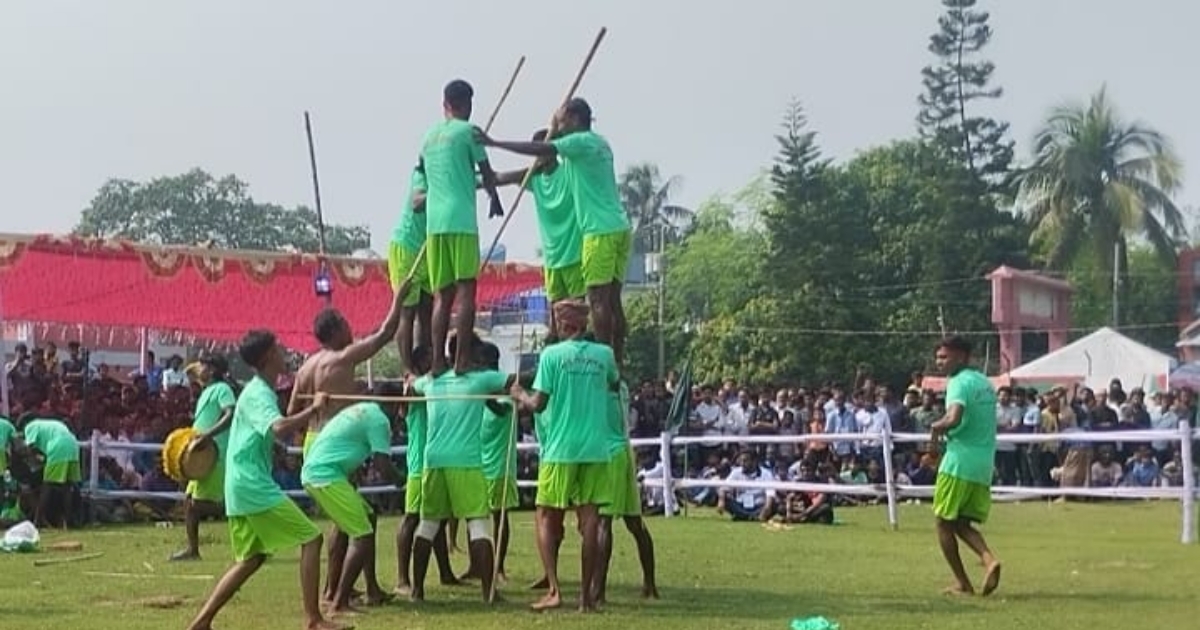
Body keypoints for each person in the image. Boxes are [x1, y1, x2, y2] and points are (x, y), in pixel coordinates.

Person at [185, 330, 347, 630]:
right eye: (278, 348)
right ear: (268, 356)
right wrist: (314, 409)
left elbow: (270, 431)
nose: (284, 351)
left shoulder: (258, 392)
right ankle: (313, 619)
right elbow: (279, 427)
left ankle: (202, 622)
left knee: (251, 559)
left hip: (242, 482)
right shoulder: (259, 393)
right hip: (251, 484)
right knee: (311, 539)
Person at [479, 98, 632, 367]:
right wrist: (483, 184)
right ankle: (611, 361)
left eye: (563, 120)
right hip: (606, 232)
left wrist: (495, 142)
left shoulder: (579, 144)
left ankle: (606, 363)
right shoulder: (587, 150)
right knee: (597, 305)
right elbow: (507, 176)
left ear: (573, 119)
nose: (559, 125)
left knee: (595, 302)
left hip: (596, 234)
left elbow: (545, 145)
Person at [288, 275, 412, 602]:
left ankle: (354, 587)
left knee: (347, 519)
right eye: (345, 323)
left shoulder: (305, 367)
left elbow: (291, 410)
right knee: (351, 522)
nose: (350, 327)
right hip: (334, 444)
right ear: (335, 331)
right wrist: (399, 299)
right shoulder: (341, 358)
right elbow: (385, 334)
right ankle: (338, 590)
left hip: (313, 441)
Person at [510, 300, 618, 613]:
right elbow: (613, 381)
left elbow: (539, 404)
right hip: (596, 447)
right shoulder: (604, 355)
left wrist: (520, 395)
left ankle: (555, 589)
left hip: (561, 448)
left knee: (545, 514)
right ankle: (586, 598)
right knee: (590, 522)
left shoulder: (552, 355)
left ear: (563, 324)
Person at [408, 334, 512, 604]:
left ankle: (417, 590)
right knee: (478, 525)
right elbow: (515, 379)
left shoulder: (431, 381)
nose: (480, 362)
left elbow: (411, 386)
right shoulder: (480, 380)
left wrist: (409, 380)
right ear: (467, 355)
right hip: (466, 462)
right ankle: (489, 592)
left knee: (428, 525)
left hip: (434, 462)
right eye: (477, 356)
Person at [420, 79, 504, 375]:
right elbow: (487, 174)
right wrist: (494, 196)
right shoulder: (469, 132)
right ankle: (461, 360)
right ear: (467, 104)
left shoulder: (428, 137)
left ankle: (437, 361)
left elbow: (426, 177)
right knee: (467, 290)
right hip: (461, 220)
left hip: (434, 223)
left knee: (442, 294)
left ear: (445, 104)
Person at [301, 398, 402, 614]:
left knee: (366, 518)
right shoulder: (379, 420)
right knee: (362, 535)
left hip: (321, 472)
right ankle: (339, 602)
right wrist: (403, 480)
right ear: (394, 405)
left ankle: (367, 590)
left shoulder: (361, 409)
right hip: (325, 476)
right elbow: (382, 465)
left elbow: (344, 443)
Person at [929, 335, 1002, 597]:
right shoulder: (984, 382)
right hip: (983, 466)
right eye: (938, 356)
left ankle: (963, 582)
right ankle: (989, 560)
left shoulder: (958, 383)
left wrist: (935, 429)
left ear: (961, 356)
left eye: (944, 357)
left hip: (958, 462)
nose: (939, 362)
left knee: (942, 522)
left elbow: (954, 416)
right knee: (960, 523)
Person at [496, 129, 585, 333]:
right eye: (535, 152)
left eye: (543, 150)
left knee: (576, 311)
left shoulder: (568, 172)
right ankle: (555, 347)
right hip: (552, 258)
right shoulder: (535, 179)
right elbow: (504, 178)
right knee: (555, 312)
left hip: (573, 254)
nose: (539, 156)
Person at [394, 345, 460, 597]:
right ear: (422, 362)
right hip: (419, 465)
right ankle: (402, 578)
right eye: (434, 357)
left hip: (433, 463)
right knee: (412, 519)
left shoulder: (433, 384)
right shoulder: (416, 386)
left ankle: (445, 572)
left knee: (437, 519)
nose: (441, 360)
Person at [458, 341, 519, 583]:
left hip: (500, 470)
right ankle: (475, 565)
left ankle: (499, 567)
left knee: (499, 519)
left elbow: (498, 410)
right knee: (473, 518)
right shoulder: (477, 398)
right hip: (477, 467)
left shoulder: (505, 400)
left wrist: (484, 392)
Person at [594, 382, 658, 603]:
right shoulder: (621, 385)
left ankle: (598, 591)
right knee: (634, 522)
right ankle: (650, 584)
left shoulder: (603, 385)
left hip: (609, 453)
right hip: (624, 451)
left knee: (603, 521)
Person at [171, 355, 238, 561]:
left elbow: (230, 413)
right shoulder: (206, 391)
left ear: (213, 369)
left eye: (203, 365)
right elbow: (189, 372)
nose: (199, 368)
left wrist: (207, 435)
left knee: (200, 504)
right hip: (201, 454)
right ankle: (193, 549)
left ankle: (241, 510)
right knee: (189, 501)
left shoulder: (223, 389)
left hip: (214, 453)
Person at [387, 164, 433, 374]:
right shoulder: (421, 175)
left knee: (427, 308)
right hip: (407, 248)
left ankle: (426, 361)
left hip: (429, 248)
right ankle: (408, 370)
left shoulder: (450, 174)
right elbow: (417, 203)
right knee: (407, 312)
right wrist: (444, 189)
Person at [15, 415, 80, 529]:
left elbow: (29, 448)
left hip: (58, 445)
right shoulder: (48, 424)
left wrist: (34, 462)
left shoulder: (30, 426)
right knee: (67, 486)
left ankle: (37, 520)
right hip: (73, 444)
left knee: (47, 485)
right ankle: (69, 520)